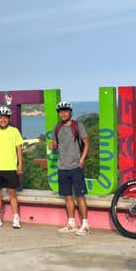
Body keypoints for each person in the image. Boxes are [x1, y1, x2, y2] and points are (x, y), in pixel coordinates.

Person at [50, 101, 90, 236]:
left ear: (70, 112)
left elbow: (86, 143)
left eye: (65, 111)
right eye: (61, 111)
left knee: (80, 196)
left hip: (75, 166)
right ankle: (71, 223)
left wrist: (82, 160)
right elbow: (55, 144)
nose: (63, 113)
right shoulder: (56, 128)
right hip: (62, 167)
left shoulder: (78, 126)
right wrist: (52, 145)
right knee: (67, 196)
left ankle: (85, 225)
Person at [0, 105, 24, 229]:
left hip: (11, 167)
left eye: (5, 118)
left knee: (12, 193)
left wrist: (20, 164)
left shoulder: (14, 131)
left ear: (9, 119)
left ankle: (16, 218)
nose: (3, 120)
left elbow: (19, 148)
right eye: (0, 117)